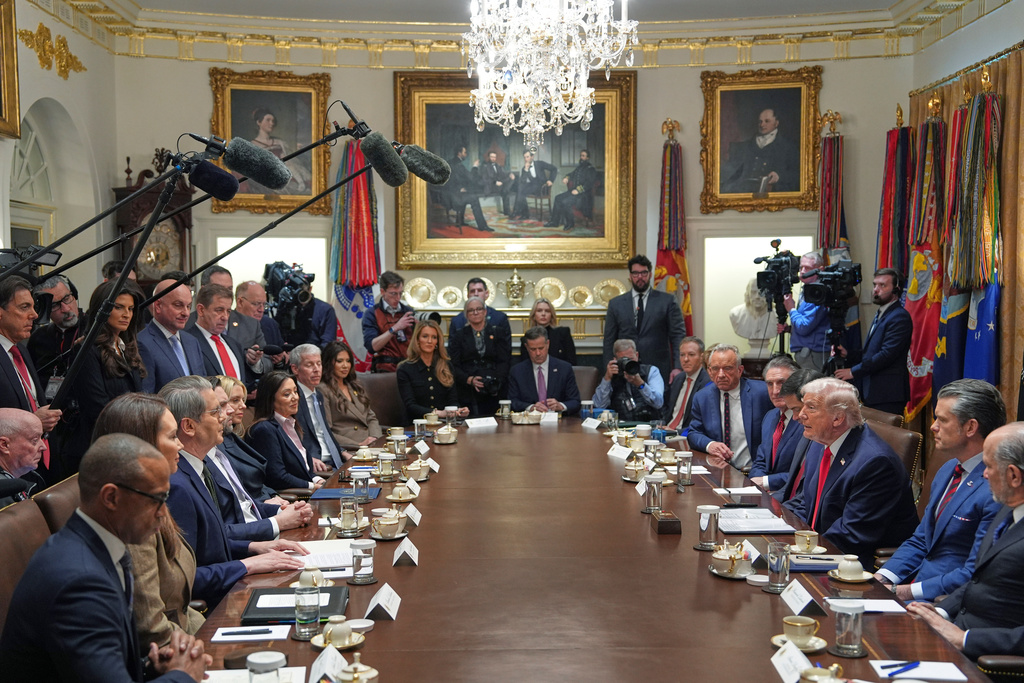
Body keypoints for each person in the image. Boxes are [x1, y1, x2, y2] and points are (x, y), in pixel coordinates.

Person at [0, 433, 209, 682]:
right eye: (157, 500)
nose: (164, 514)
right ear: (111, 497)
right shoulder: (79, 582)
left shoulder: (98, 547)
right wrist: (182, 675)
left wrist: (152, 669)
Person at [91, 394, 228, 649]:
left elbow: (182, 610)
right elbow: (151, 627)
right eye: (172, 436)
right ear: (141, 445)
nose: (179, 446)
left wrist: (218, 638)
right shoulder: (129, 518)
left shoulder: (150, 498)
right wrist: (210, 651)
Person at [160, 377, 307, 604]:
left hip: (235, 579)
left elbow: (210, 543)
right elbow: (184, 576)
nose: (223, 415)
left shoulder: (200, 466)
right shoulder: (177, 485)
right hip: (218, 602)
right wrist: (246, 564)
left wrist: (255, 547)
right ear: (189, 426)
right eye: (215, 411)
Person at [876, 379, 1005, 601]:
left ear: (970, 427)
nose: (933, 426)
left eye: (942, 420)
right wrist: (882, 578)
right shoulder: (948, 469)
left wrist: (903, 592)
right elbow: (921, 539)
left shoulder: (997, 488)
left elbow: (975, 572)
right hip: (914, 586)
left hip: (945, 601)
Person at [908, 423, 1024, 659]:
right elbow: (978, 581)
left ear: (1013, 475)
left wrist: (965, 639)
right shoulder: (1007, 509)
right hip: (955, 631)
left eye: (989, 466)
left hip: (990, 659)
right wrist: (940, 613)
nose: (984, 473)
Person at [783, 378, 919, 565]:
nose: (800, 415)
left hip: (853, 562)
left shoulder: (875, 463)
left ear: (838, 418)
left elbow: (851, 535)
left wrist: (796, 553)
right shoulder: (819, 442)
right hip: (819, 547)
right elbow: (805, 502)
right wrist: (775, 528)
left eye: (811, 408)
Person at [205, 379, 314, 541]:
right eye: (224, 404)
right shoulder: (215, 450)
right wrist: (277, 518)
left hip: (263, 517)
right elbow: (222, 530)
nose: (240, 406)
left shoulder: (227, 441)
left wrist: (279, 509)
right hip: (253, 533)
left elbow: (248, 495)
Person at [59, 279, 147, 478]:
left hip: (128, 442)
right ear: (103, 309)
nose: (127, 314)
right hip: (99, 446)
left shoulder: (126, 347)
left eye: (131, 309)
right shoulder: (86, 349)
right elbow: (96, 407)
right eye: (119, 307)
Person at [834, 267, 912, 414]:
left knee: (885, 436)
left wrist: (853, 371)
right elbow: (871, 352)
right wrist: (849, 354)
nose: (876, 290)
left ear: (896, 289)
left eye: (883, 285)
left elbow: (886, 355)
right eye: (875, 285)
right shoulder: (882, 313)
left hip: (888, 393)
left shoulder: (899, 317)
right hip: (874, 390)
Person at [602, 254, 686, 384]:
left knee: (659, 403)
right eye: (635, 273)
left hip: (658, 367)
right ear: (630, 276)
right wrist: (609, 369)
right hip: (624, 369)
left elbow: (678, 336)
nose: (640, 277)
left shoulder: (667, 301)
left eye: (643, 273)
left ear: (650, 275)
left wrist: (677, 367)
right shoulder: (616, 304)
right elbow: (609, 339)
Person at [687, 344, 773, 470]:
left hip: (754, 471)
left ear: (739, 370)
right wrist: (710, 445)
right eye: (715, 369)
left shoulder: (762, 393)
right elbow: (694, 433)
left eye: (727, 368)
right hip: (718, 471)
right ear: (710, 371)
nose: (721, 374)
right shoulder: (702, 397)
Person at [246, 371, 332, 490]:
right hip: (294, 500)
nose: (295, 398)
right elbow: (277, 477)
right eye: (287, 394)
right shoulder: (264, 430)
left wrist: (319, 480)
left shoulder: (290, 423)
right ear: (270, 399)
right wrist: (312, 486)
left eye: (295, 391)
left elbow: (304, 470)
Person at [0, 275, 61, 435]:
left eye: (33, 306)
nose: (34, 315)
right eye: (24, 307)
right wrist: (33, 421)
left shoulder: (21, 350)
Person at [193, 267, 271, 374]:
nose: (225, 317)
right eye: (218, 288)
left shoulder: (242, 333)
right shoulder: (186, 329)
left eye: (229, 289)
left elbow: (267, 362)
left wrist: (254, 362)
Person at [215, 375, 280, 502]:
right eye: (235, 400)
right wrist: (266, 501)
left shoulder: (232, 437)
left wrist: (273, 495)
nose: (243, 406)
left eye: (243, 400)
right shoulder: (216, 444)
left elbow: (257, 480)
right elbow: (241, 486)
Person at [185, 284, 262, 388]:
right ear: (201, 310)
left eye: (228, 311)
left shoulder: (234, 345)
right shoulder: (187, 342)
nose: (225, 317)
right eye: (219, 310)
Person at [139, 278, 206, 393]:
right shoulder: (142, 343)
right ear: (158, 306)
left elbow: (204, 386)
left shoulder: (192, 341)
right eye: (178, 305)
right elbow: (147, 397)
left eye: (189, 306)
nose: (185, 313)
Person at [448, 297, 512, 417]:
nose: (475, 312)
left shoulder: (498, 332)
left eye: (479, 309)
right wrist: (468, 379)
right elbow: (454, 364)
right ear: (466, 314)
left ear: (485, 312)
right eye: (471, 310)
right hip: (467, 388)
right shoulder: (459, 336)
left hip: (494, 389)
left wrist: (497, 381)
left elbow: (504, 361)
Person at [396, 320, 468, 424]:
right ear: (417, 340)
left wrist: (457, 411)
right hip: (417, 425)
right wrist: (439, 413)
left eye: (434, 337)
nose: (430, 341)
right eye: (425, 336)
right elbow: (410, 406)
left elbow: (453, 400)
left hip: (444, 424)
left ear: (437, 342)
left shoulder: (446, 366)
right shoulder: (405, 369)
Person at [749, 355, 802, 493]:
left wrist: (766, 482)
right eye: (769, 384)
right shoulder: (770, 416)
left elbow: (805, 473)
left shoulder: (806, 420)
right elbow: (761, 460)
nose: (775, 391)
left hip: (792, 496)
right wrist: (757, 481)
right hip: (765, 494)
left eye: (781, 383)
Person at [289, 344, 346, 468]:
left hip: (335, 460)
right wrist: (306, 458)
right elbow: (289, 437)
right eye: (309, 365)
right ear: (295, 369)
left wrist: (342, 452)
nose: (316, 369)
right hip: (316, 464)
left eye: (319, 364)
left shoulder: (318, 395)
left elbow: (323, 432)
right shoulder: (292, 398)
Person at [720, 107, 799, 194]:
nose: (762, 125)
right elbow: (731, 173)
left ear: (776, 123)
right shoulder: (743, 147)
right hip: (744, 191)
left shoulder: (788, 147)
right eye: (760, 121)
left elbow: (798, 174)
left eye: (767, 121)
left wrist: (779, 176)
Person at [320, 340, 382, 450]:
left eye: (348, 361)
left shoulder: (354, 385)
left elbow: (371, 417)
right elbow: (326, 431)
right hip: (350, 447)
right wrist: (357, 445)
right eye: (339, 361)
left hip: (372, 444)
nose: (345, 366)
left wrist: (374, 437)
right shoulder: (323, 389)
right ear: (329, 363)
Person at [775, 369, 825, 502]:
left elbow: (808, 502)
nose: (796, 417)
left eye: (797, 409)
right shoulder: (808, 432)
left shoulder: (827, 442)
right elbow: (790, 490)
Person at [508, 326, 581, 415]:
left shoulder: (564, 368)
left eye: (541, 348)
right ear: (526, 347)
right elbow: (512, 401)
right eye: (533, 349)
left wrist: (561, 406)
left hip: (558, 422)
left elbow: (575, 401)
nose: (538, 353)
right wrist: (531, 407)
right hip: (529, 423)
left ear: (548, 344)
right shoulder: (517, 371)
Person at [27, 274, 88, 380]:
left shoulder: (96, 329)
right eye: (54, 305)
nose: (66, 309)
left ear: (74, 295)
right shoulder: (38, 338)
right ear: (42, 309)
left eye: (66, 298)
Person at [593, 339, 665, 422]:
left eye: (631, 359)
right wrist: (607, 379)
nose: (628, 363)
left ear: (637, 355)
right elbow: (599, 406)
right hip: (620, 426)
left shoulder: (651, 371)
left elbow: (658, 403)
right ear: (615, 360)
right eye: (623, 360)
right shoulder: (612, 376)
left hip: (648, 425)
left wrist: (641, 384)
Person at [244, 107, 311, 194]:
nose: (271, 123)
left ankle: (300, 183)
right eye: (268, 120)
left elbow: (293, 162)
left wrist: (286, 159)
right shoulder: (252, 145)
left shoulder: (280, 142)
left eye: (273, 121)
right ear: (259, 122)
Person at [782, 252, 830, 371]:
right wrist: (790, 329)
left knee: (811, 388)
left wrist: (791, 309)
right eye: (801, 267)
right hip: (805, 352)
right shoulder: (808, 290)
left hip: (812, 354)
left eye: (807, 268)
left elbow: (804, 326)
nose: (802, 271)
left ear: (820, 270)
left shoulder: (817, 293)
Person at [362, 270, 416, 373]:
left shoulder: (408, 312)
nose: (398, 298)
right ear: (382, 292)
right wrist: (395, 328)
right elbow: (372, 346)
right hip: (384, 368)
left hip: (409, 367)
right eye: (393, 294)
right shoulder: (372, 313)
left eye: (400, 293)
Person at [235, 281, 288, 368]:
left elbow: (282, 362)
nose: (262, 310)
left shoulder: (271, 325)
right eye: (256, 304)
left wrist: (279, 360)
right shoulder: (225, 326)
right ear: (240, 302)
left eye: (264, 305)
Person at [0, 408, 46, 507]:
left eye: (41, 437)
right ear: (4, 445)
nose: (43, 447)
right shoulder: (3, 494)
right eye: (34, 440)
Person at [663, 336, 711, 430]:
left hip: (686, 435)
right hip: (667, 431)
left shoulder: (708, 383)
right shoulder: (678, 379)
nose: (685, 359)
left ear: (702, 357)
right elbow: (667, 410)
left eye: (691, 355)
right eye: (682, 355)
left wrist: (677, 432)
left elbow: (702, 422)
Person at [449, 278, 512, 347]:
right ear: (467, 295)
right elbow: (452, 350)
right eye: (472, 291)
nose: (476, 294)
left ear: (486, 294)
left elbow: (507, 348)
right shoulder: (457, 321)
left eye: (479, 290)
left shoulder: (500, 318)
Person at [546, 149, 599, 231]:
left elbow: (589, 184)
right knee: (558, 198)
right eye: (581, 155)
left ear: (588, 158)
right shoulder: (579, 168)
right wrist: (566, 178)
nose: (581, 157)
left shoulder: (591, 169)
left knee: (565, 201)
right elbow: (571, 174)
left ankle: (570, 223)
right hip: (574, 192)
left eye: (583, 156)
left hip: (584, 195)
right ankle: (554, 222)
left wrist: (579, 190)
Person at [445, 145, 492, 232]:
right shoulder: (459, 165)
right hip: (454, 198)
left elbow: (450, 180)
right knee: (474, 198)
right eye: (465, 152)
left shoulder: (449, 162)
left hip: (447, 196)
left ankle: (460, 220)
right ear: (459, 153)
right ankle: (483, 226)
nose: (466, 154)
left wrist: (459, 188)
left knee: (466, 192)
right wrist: (475, 166)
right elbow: (471, 178)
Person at [518, 298, 576, 365]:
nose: (543, 314)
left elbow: (572, 362)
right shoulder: (527, 337)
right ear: (534, 315)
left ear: (551, 315)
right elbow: (525, 365)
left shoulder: (563, 333)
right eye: (539, 311)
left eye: (547, 311)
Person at [729, 278, 773, 359]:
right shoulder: (735, 314)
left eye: (761, 292)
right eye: (753, 292)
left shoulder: (777, 315)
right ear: (748, 294)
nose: (757, 297)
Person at [509, 150, 557, 220]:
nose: (526, 159)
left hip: (542, 188)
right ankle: (523, 214)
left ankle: (519, 212)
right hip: (532, 187)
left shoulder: (540, 163)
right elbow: (522, 181)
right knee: (520, 189)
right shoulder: (524, 168)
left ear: (532, 157)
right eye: (524, 157)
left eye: (527, 157)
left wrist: (551, 180)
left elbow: (554, 169)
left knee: (521, 190)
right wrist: (525, 170)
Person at [478, 150, 511, 215]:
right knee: (505, 190)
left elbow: (503, 175)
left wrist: (509, 174)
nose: (493, 158)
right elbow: (485, 179)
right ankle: (507, 211)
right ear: (488, 157)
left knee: (506, 189)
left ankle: (507, 212)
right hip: (491, 186)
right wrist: (495, 182)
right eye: (491, 157)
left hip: (499, 185)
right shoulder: (485, 166)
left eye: (494, 157)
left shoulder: (498, 166)